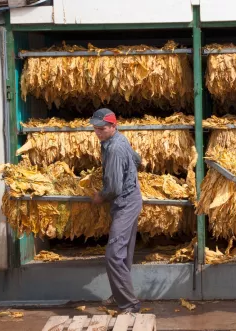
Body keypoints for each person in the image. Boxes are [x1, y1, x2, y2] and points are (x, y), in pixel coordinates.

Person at [90, 108, 143, 313]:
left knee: (114, 254)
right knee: (124, 253)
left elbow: (113, 188)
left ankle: (129, 304)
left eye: (102, 128)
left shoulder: (114, 149)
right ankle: (121, 296)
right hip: (130, 200)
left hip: (126, 203)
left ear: (114, 126)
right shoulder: (118, 140)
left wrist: (99, 197)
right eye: (95, 128)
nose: (98, 132)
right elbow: (137, 159)